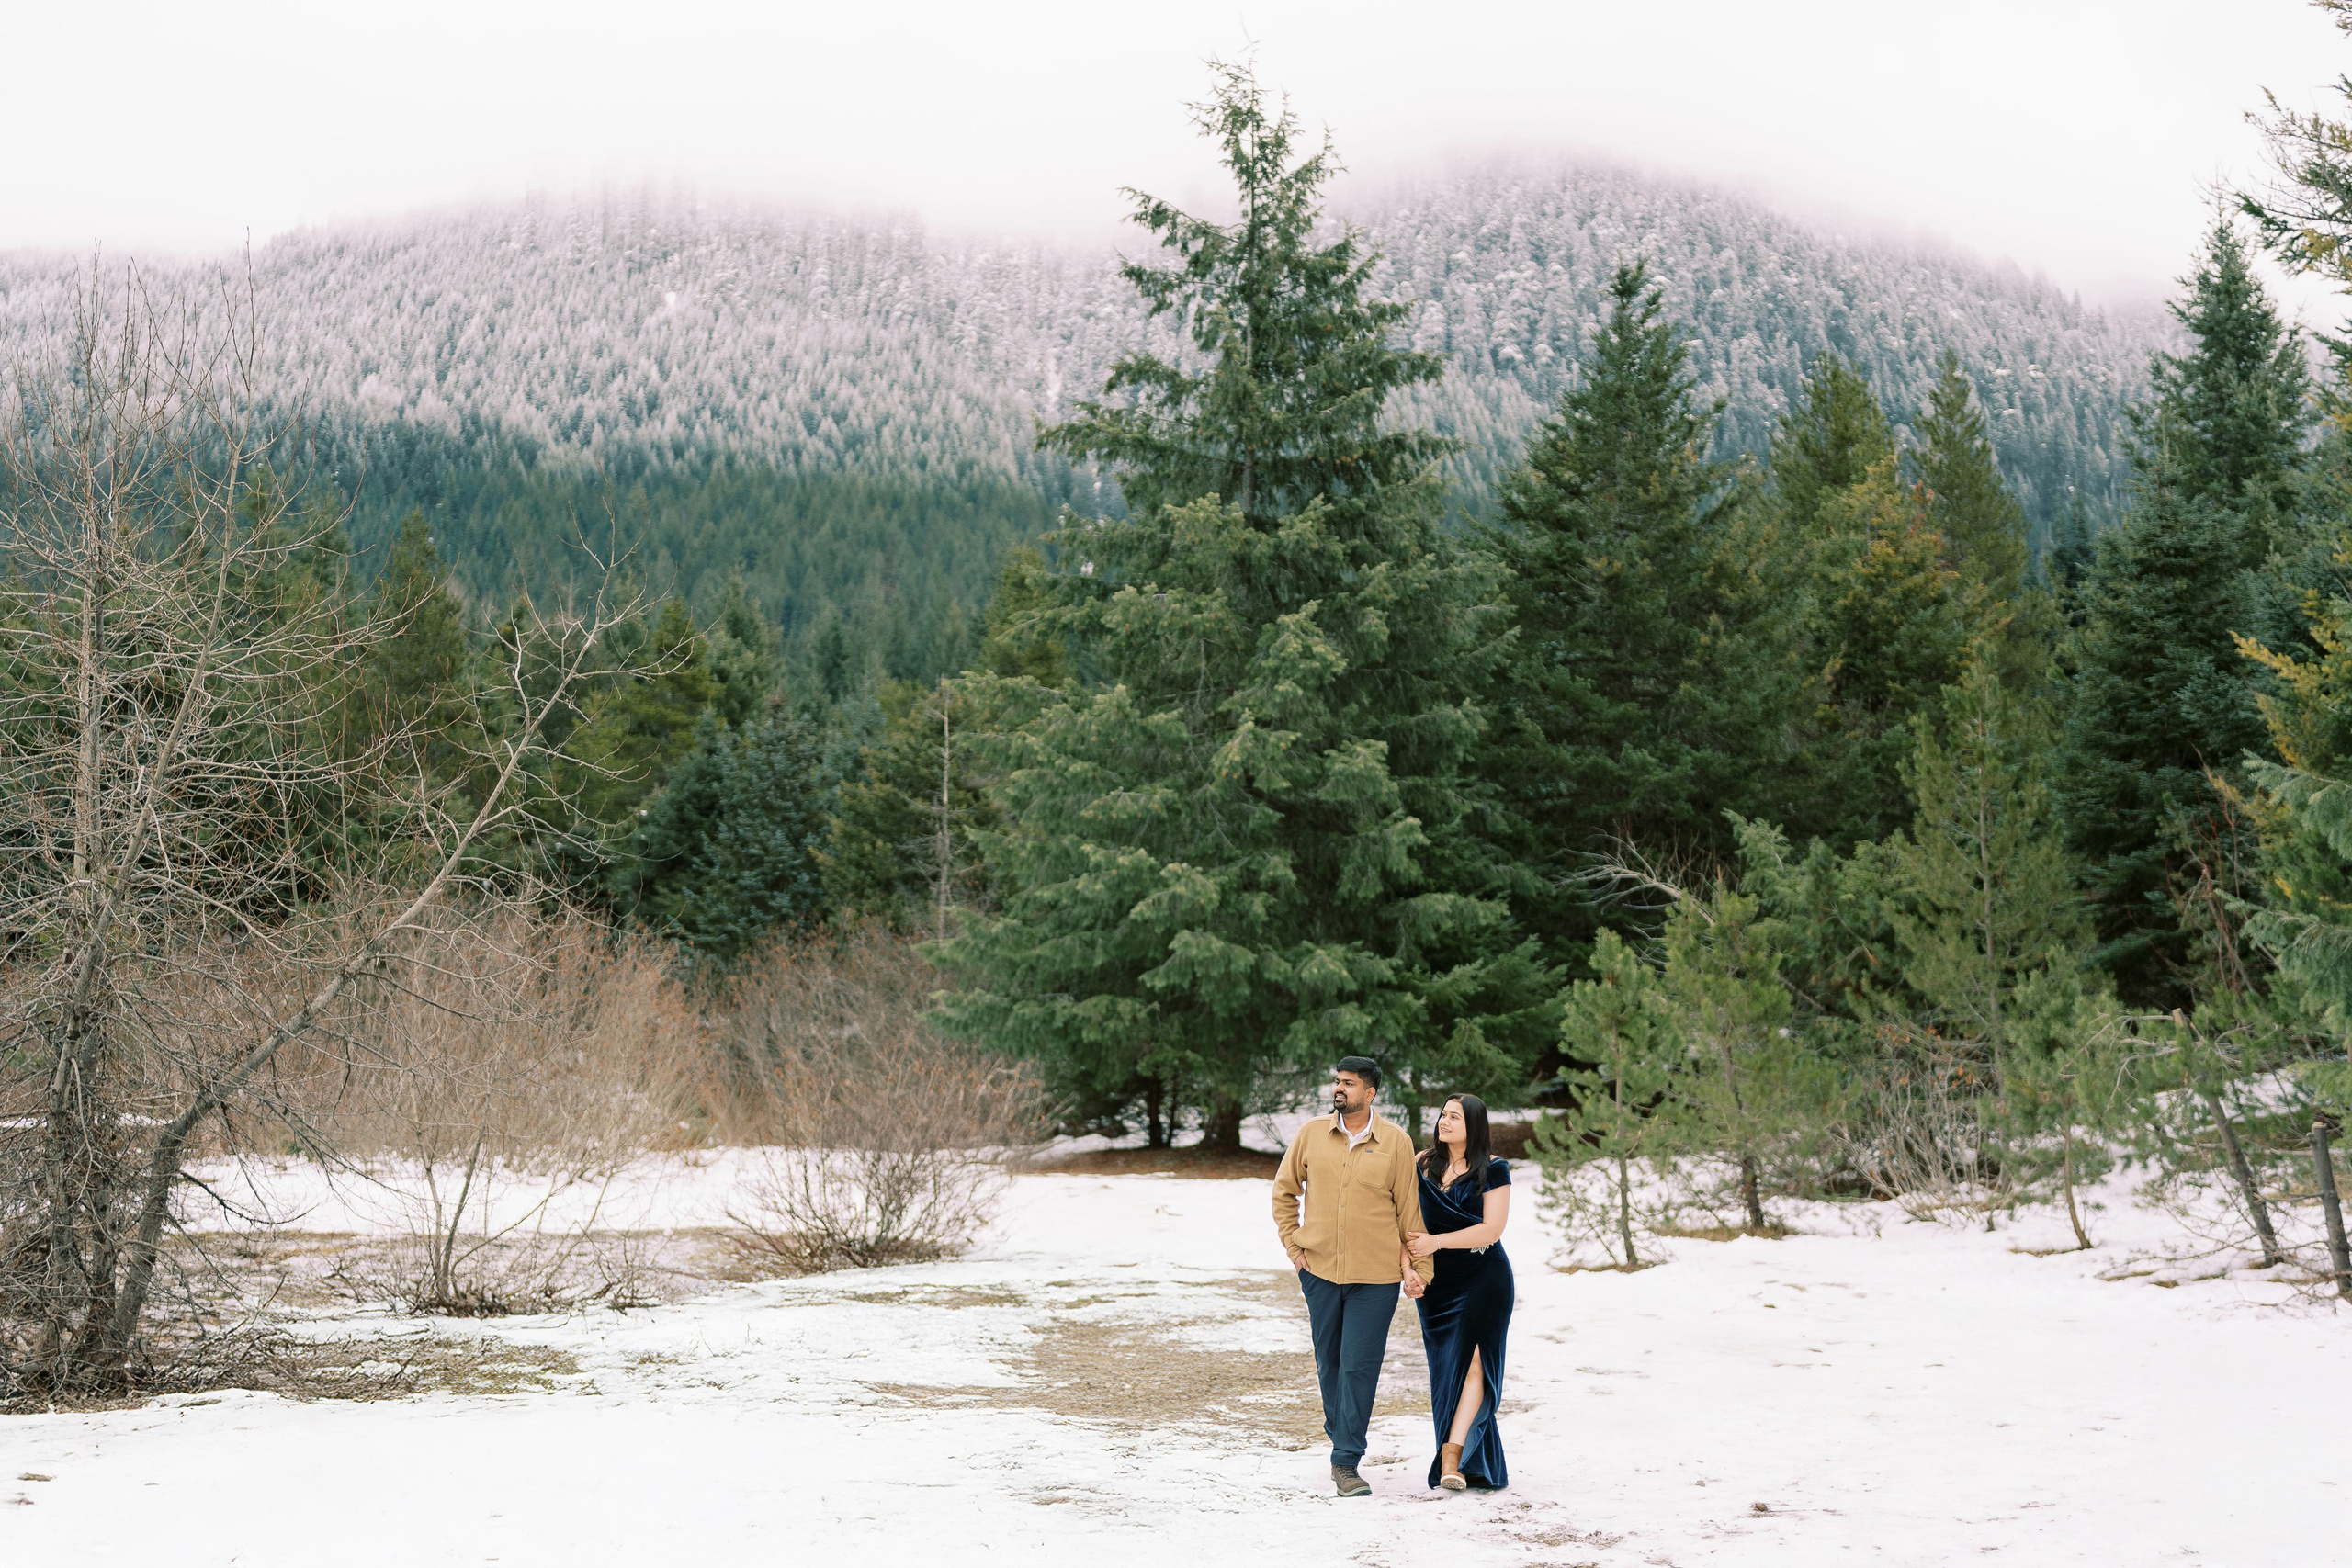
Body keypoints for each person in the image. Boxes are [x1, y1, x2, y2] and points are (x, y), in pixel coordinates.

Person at [1272, 1055, 1433, 1497]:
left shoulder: (1396, 1142)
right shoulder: (1310, 1136)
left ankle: (1346, 1459)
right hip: (1319, 1271)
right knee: (1331, 1362)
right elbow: (1284, 1193)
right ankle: (1341, 1425)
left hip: (1375, 1278)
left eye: (1349, 1083)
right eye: (1337, 1081)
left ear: (1370, 1092)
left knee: (1359, 1367)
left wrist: (1420, 1269)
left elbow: (1409, 1210)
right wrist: (1294, 1247)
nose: (1339, 1089)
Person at [1405, 1092, 1514, 1491]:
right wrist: (1410, 1267)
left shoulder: (1494, 1169)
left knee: (1474, 1365)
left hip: (1484, 1277)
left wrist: (1436, 1242)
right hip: (1438, 1285)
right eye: (1442, 1115)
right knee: (1446, 1369)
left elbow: (1492, 1229)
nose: (1444, 1122)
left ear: (1474, 1125)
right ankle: (1473, 1460)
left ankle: (1452, 1455)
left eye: (1454, 1116)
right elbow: (1403, 1218)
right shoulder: (1422, 1163)